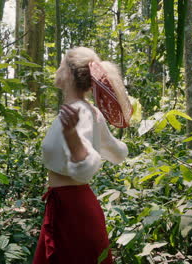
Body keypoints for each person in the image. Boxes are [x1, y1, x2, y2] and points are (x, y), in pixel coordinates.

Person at [32, 47, 131, 264]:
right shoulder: (87, 111)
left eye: (60, 64)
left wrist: (73, 138)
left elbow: (87, 166)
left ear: (68, 72)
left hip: (73, 211)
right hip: (68, 207)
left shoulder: (81, 112)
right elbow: (118, 152)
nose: (57, 69)